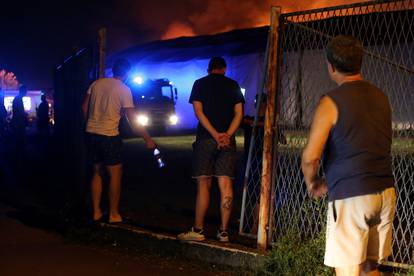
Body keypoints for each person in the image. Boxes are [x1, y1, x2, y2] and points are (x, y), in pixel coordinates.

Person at [301, 35, 396, 276]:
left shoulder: (331, 102)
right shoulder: (381, 97)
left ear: (331, 66)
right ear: (360, 63)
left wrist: (313, 183)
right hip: (384, 192)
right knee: (368, 267)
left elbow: (311, 156)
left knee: (347, 271)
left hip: (351, 196)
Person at [178, 57, 244, 242]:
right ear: (224, 68)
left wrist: (215, 135)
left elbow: (199, 112)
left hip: (206, 139)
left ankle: (198, 229)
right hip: (227, 141)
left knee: (204, 184)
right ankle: (223, 231)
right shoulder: (233, 85)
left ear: (209, 69)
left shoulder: (199, 84)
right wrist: (226, 135)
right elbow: (239, 114)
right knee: (225, 184)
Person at [82, 59, 155, 224]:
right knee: (115, 174)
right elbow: (132, 118)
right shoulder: (124, 89)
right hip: (109, 136)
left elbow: (84, 108)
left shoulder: (96, 84)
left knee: (97, 172)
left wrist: (91, 124)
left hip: (91, 134)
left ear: (114, 70)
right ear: (127, 73)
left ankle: (96, 212)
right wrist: (148, 139)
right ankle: (114, 214)